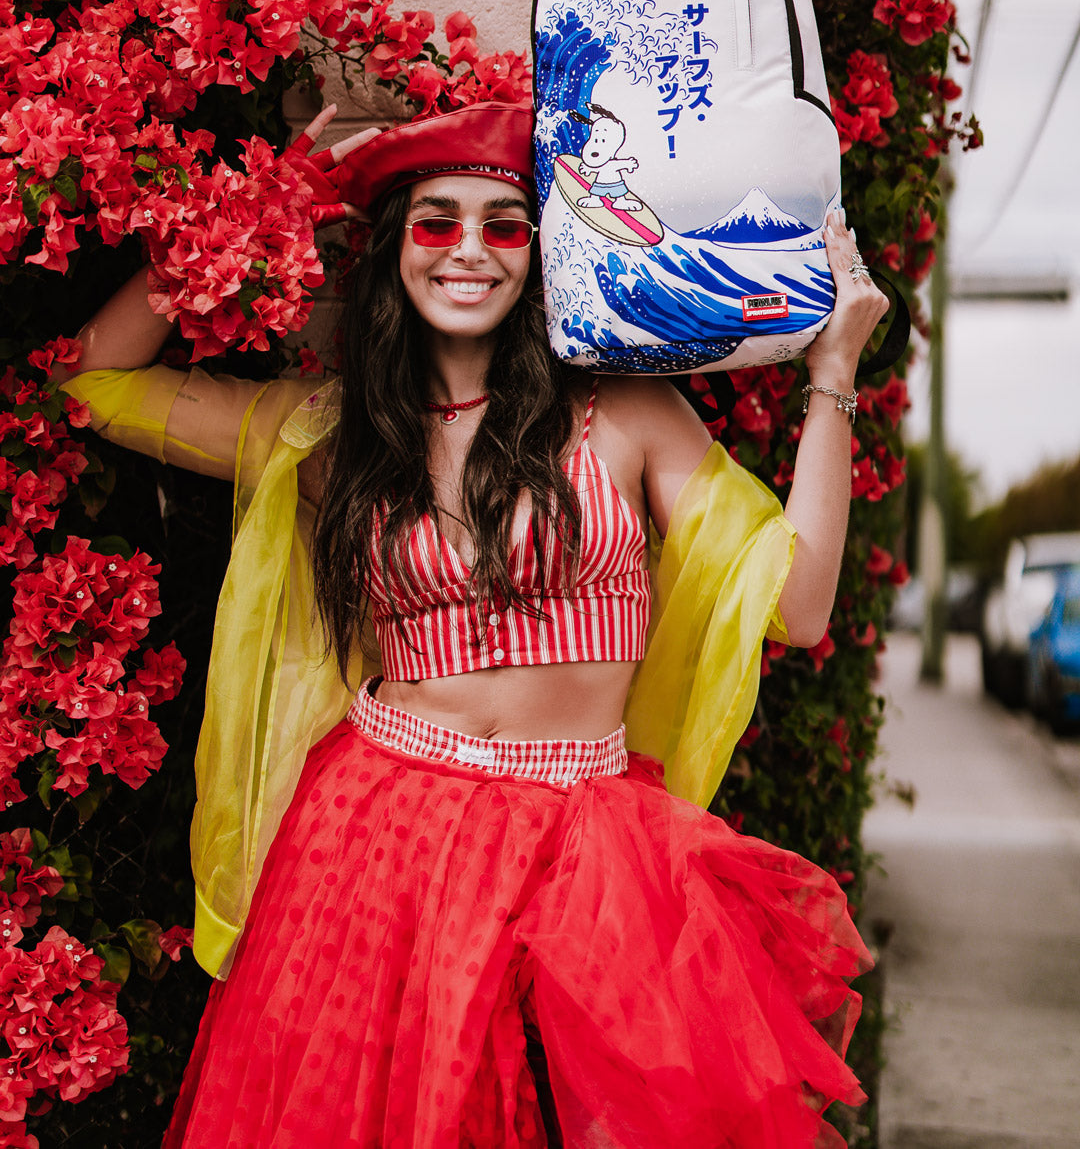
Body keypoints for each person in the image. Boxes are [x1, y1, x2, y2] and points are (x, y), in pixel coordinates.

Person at [60, 99, 888, 1148]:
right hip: (378, 843)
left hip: (587, 851)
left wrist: (833, 378)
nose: (469, 252)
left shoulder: (626, 416)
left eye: (503, 227)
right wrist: (264, 207)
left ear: (540, 255)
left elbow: (800, 607)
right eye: (435, 221)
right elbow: (95, 378)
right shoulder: (335, 433)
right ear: (394, 249)